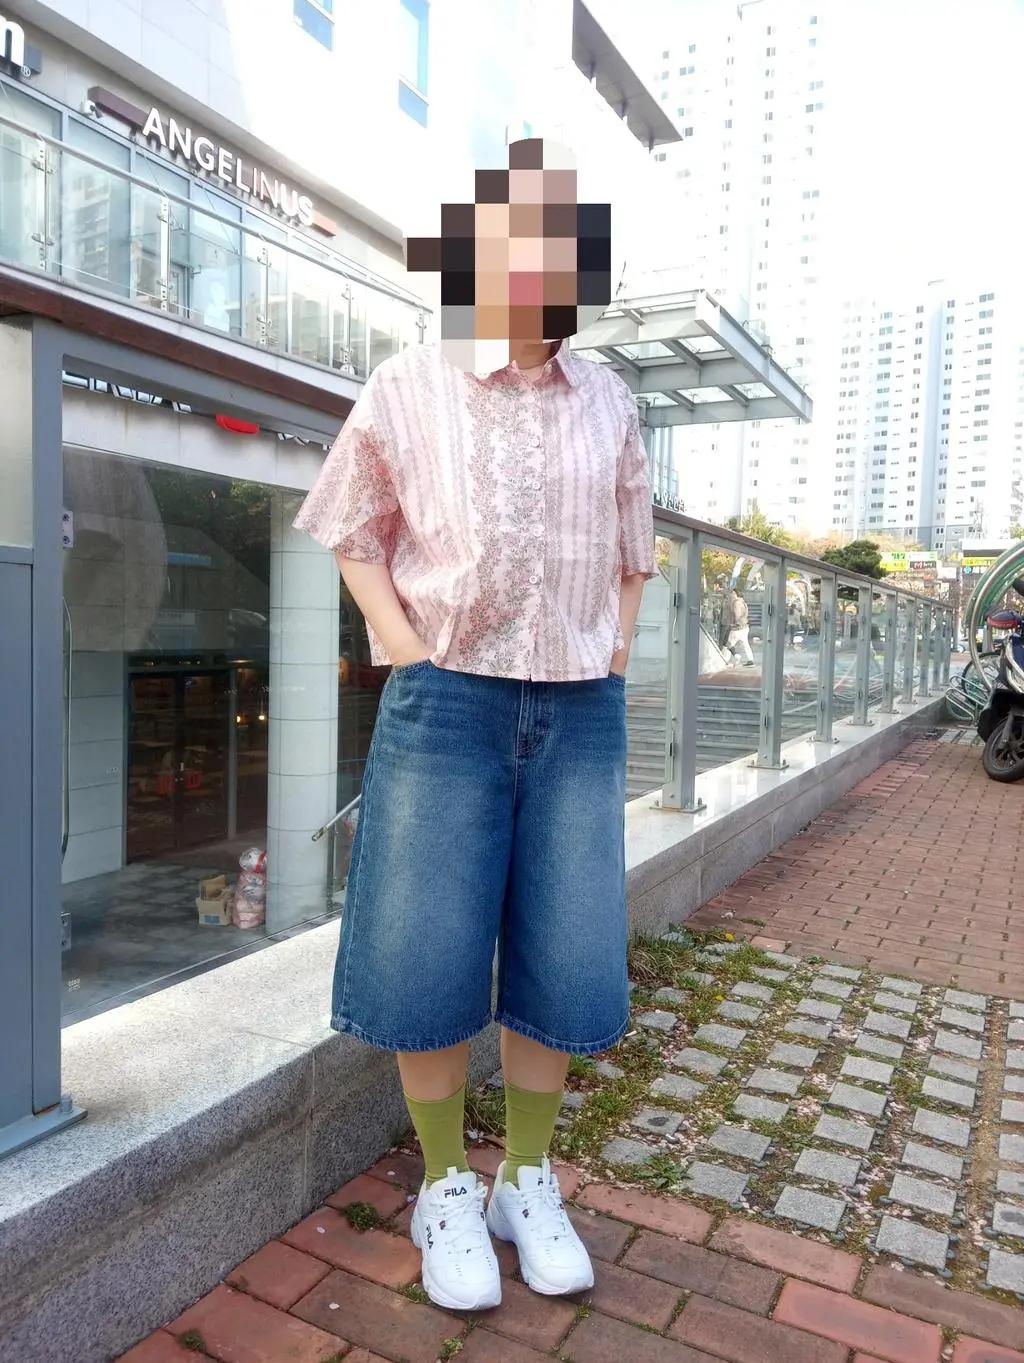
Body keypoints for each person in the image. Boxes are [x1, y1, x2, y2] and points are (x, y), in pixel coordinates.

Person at [293, 138, 658, 1312]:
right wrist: (403, 645)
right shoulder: (410, 382)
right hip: (446, 698)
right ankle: (446, 1182)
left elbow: (634, 546)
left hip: (578, 705)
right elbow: (349, 526)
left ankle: (527, 1178)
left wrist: (613, 649)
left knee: (566, 944)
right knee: (425, 947)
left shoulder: (609, 399)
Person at [726, 587, 754, 665]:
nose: (731, 595)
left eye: (733, 593)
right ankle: (750, 659)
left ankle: (726, 659)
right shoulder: (743, 602)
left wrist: (733, 622)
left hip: (737, 628)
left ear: (736, 594)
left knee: (729, 643)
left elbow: (737, 615)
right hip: (744, 626)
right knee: (745, 644)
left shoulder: (736, 603)